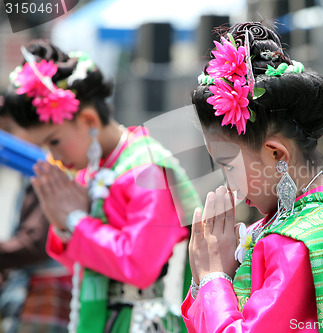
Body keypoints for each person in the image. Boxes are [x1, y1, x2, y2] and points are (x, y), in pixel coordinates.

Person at [182, 22, 323, 332]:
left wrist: (213, 277)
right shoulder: (309, 223)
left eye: (228, 165)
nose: (228, 183)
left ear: (276, 154)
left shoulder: (293, 241)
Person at [3, 40, 200, 332]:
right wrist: (62, 224)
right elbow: (87, 267)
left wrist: (75, 220)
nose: (51, 155)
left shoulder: (145, 167)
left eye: (53, 141)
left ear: (89, 119)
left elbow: (140, 266)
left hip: (142, 322)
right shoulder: (92, 171)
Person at [0, 96, 72, 333]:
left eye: (11, 129)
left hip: (45, 288)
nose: (8, 139)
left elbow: (34, 242)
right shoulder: (33, 170)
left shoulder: (46, 170)